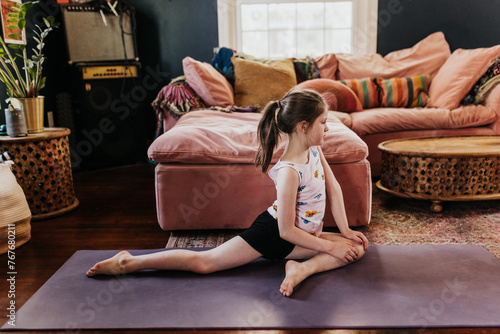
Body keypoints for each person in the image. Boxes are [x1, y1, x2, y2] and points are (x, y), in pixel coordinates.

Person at [86, 89, 369, 297]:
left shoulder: (313, 148)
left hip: (308, 233)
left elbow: (333, 186)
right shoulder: (289, 171)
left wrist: (343, 229)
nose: (327, 127)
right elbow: (284, 231)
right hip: (274, 235)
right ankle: (128, 262)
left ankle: (300, 269)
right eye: (323, 122)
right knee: (205, 262)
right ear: (303, 127)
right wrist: (331, 246)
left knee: (356, 246)